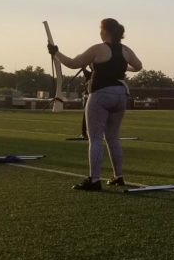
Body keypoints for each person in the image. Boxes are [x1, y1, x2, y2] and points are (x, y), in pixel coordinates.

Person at [48, 18, 142, 191]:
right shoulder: (126, 50)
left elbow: (72, 63)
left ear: (105, 31)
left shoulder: (98, 48)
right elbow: (138, 66)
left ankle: (94, 179)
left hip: (101, 94)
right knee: (113, 137)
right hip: (121, 95)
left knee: (96, 138)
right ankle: (118, 176)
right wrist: (121, 67)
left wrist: (56, 53)